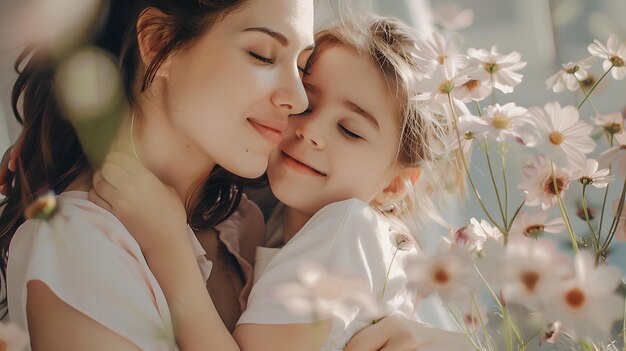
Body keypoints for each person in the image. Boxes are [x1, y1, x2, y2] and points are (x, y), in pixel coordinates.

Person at [93, 16, 470, 350]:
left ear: (394, 185)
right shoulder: (268, 225)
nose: (310, 131)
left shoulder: (348, 228)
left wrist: (167, 243)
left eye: (349, 130)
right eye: (306, 104)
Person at [0, 0, 315, 349]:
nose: (298, 99)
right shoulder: (75, 246)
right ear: (159, 43)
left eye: (302, 67)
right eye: (263, 55)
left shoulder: (241, 223)